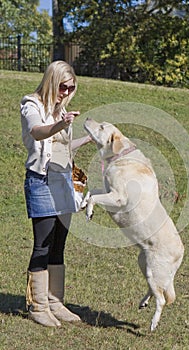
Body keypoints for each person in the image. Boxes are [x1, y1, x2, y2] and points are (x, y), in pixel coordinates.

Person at [20, 60, 92, 327]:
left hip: (63, 182)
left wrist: (85, 139)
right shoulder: (32, 105)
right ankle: (37, 306)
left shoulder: (60, 110)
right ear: (52, 81)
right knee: (43, 243)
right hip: (41, 181)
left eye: (71, 88)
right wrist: (60, 125)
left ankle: (54, 302)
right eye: (63, 87)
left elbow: (62, 147)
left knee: (59, 244)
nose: (66, 92)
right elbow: (38, 133)